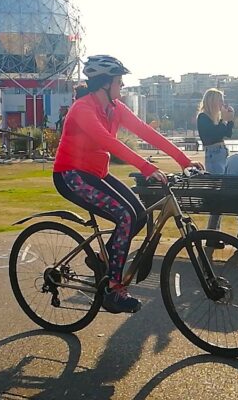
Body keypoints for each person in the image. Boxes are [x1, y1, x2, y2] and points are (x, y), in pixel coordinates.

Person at [53, 55, 204, 314]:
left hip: (96, 173)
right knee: (124, 216)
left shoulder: (115, 107)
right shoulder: (83, 108)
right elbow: (109, 142)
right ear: (104, 84)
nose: (121, 86)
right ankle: (113, 290)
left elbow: (146, 132)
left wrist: (183, 160)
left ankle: (102, 260)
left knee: (139, 217)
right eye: (119, 82)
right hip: (71, 175)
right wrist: (146, 167)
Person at [197, 88, 234, 233]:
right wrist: (224, 120)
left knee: (220, 194)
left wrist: (229, 120)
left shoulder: (213, 119)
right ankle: (213, 233)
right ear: (212, 101)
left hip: (220, 153)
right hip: (214, 154)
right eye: (220, 100)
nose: (222, 104)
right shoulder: (203, 117)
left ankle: (214, 232)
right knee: (218, 194)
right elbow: (212, 136)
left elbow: (227, 133)